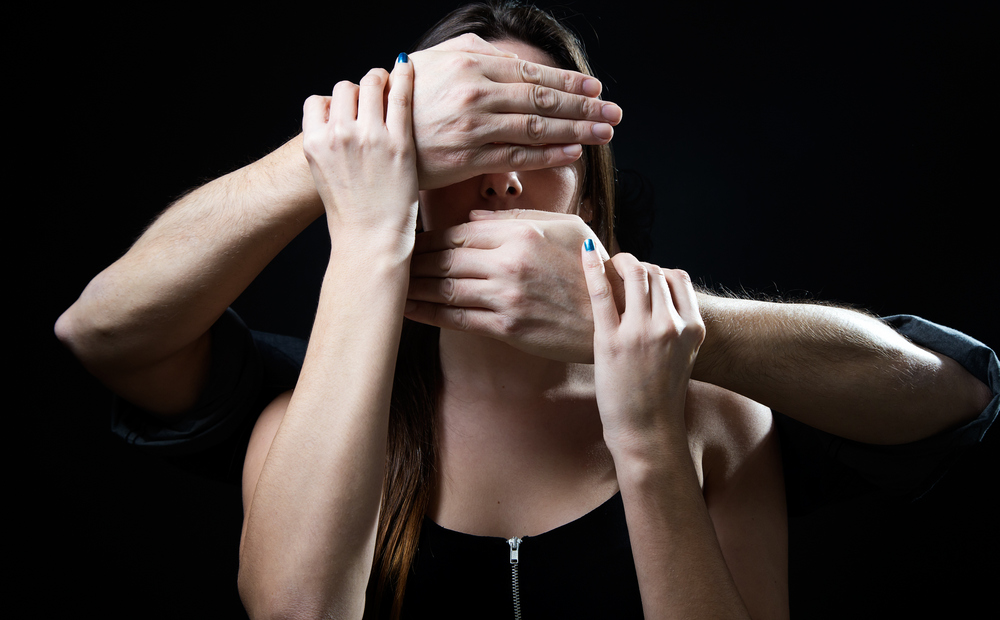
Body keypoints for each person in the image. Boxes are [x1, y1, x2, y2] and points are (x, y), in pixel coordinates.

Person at [56, 2, 996, 618]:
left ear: (589, 188)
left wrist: (645, 426)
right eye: (463, 139)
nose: (502, 177)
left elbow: (955, 390)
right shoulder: (296, 423)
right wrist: (366, 224)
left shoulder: (718, 423)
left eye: (537, 138)